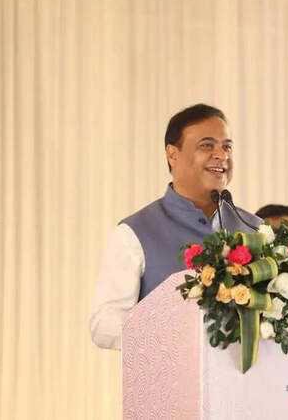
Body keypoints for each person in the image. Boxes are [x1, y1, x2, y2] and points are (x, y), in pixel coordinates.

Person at [90, 104, 262, 350]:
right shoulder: (134, 233)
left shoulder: (256, 229)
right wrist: (172, 334)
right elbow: (103, 325)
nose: (221, 155)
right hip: (168, 371)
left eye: (227, 147)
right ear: (172, 154)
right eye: (207, 145)